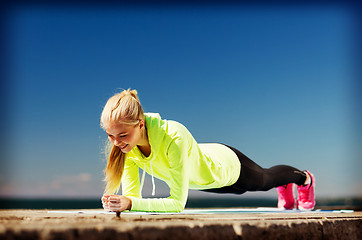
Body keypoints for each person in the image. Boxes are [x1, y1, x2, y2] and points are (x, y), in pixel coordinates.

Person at [100, 89, 315, 213]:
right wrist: (120, 203)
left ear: (139, 124)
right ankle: (284, 183)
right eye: (110, 135)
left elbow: (177, 204)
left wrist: (130, 203)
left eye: (122, 135)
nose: (116, 142)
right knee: (240, 191)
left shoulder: (174, 135)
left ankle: (303, 179)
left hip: (225, 165)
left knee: (264, 180)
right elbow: (131, 199)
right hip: (204, 181)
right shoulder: (128, 149)